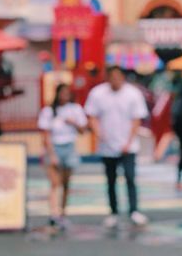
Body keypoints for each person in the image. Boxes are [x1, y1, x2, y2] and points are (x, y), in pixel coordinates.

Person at [85, 65, 149, 229]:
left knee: (130, 177)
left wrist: (129, 141)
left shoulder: (132, 94)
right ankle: (113, 212)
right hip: (107, 146)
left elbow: (137, 119)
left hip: (128, 146)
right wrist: (99, 133)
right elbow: (91, 116)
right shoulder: (98, 93)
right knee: (111, 180)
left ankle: (134, 210)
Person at [37, 83, 87, 229]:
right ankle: (54, 213)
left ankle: (62, 213)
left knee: (65, 183)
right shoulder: (49, 111)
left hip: (69, 147)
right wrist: (51, 154)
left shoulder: (75, 109)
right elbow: (45, 134)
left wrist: (74, 123)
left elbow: (83, 130)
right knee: (55, 183)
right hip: (54, 147)